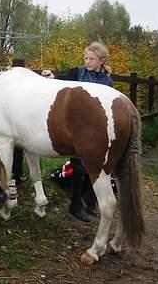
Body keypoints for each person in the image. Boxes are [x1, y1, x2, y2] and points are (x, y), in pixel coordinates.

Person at [41, 41, 113, 223]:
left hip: (94, 129)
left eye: (91, 59)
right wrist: (51, 77)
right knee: (78, 166)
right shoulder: (78, 72)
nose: (87, 62)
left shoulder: (107, 81)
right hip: (76, 127)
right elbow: (63, 81)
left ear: (101, 60)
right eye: (85, 58)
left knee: (95, 165)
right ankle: (75, 205)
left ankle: (89, 200)